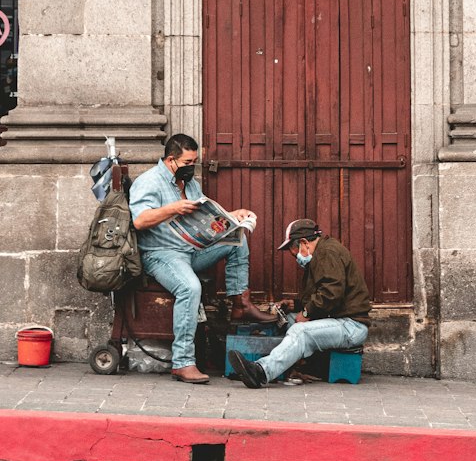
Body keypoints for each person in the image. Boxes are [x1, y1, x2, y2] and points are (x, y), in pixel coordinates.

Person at [129, 133, 274, 384]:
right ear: (171, 160)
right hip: (161, 254)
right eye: (187, 162)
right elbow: (140, 221)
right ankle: (183, 362)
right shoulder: (149, 182)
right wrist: (171, 209)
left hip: (190, 250)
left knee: (238, 239)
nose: (191, 167)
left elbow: (204, 219)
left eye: (194, 161)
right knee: (190, 287)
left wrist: (231, 217)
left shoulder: (189, 182)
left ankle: (240, 305)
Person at [228, 217, 370, 388]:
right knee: (288, 320)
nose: (293, 255)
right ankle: (285, 368)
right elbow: (321, 295)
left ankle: (260, 372)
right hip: (339, 320)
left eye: (292, 250)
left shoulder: (328, 252)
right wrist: (295, 305)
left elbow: (331, 294)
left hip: (351, 326)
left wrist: (306, 313)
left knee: (300, 331)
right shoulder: (321, 254)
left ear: (303, 242)